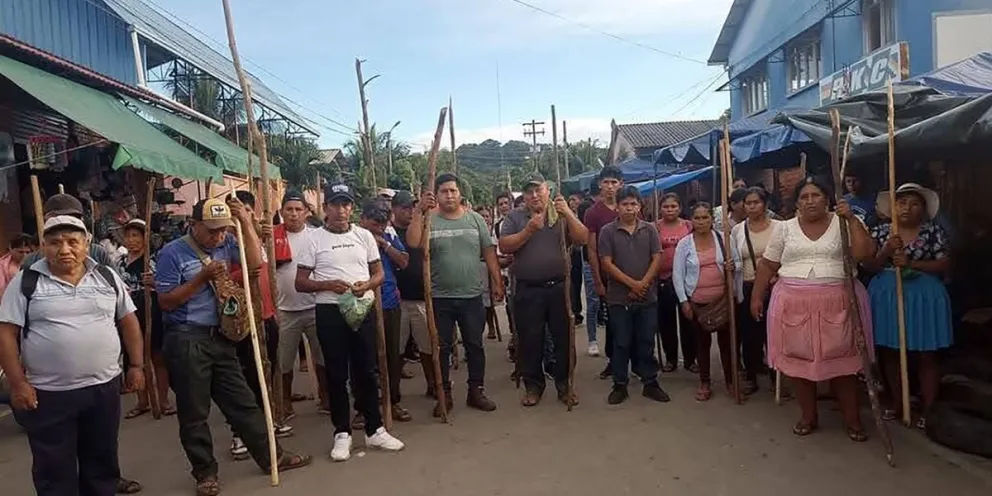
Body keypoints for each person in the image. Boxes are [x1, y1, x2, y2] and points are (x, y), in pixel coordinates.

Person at [156, 197, 310, 494]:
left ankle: (272, 456)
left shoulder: (228, 242)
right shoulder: (172, 253)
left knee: (243, 401)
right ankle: (205, 473)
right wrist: (201, 278)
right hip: (187, 336)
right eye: (211, 230)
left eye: (222, 229)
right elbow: (166, 301)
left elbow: (255, 264)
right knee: (194, 411)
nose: (218, 236)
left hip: (221, 336)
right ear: (194, 225)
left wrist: (246, 224)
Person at [0, 215, 144, 496]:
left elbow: (128, 321)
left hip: (103, 388)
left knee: (101, 461)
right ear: (44, 247)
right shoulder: (27, 281)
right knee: (54, 468)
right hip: (49, 393)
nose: (64, 249)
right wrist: (18, 384)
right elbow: (6, 333)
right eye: (55, 243)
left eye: (72, 242)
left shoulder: (106, 276)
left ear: (86, 244)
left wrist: (136, 365)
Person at [750, 176, 875, 441]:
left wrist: (852, 219)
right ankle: (808, 416)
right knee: (799, 364)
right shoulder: (785, 229)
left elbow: (864, 255)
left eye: (816, 195)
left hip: (840, 302)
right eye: (804, 197)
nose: (810, 201)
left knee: (844, 363)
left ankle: (852, 420)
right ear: (797, 203)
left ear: (827, 198)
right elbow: (769, 264)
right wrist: (756, 296)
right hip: (793, 304)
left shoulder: (845, 222)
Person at [295, 183, 404, 462]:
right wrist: (328, 284)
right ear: (325, 208)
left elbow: (378, 273)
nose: (340, 210)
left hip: (362, 308)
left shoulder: (363, 236)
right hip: (329, 311)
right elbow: (301, 282)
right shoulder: (314, 239)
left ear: (351, 208)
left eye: (345, 204)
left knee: (366, 370)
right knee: (336, 373)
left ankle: (374, 429)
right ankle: (342, 432)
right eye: (335, 204)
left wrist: (366, 284)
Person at [406, 173, 503, 417]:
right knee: (442, 347)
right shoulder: (429, 220)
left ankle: (476, 391)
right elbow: (414, 242)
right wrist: (418, 211)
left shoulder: (475, 220)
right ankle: (444, 394)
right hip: (440, 297)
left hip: (472, 295)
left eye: (453, 191)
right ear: (436, 195)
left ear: (460, 193)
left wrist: (497, 281)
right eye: (444, 191)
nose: (449, 195)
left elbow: (489, 252)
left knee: (474, 345)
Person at [864, 183, 953, 429]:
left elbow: (945, 263)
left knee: (926, 353)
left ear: (923, 209)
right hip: (888, 294)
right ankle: (898, 402)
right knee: (891, 351)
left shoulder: (933, 231)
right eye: (902, 202)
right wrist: (886, 251)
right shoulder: (881, 231)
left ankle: (929, 407)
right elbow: (869, 265)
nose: (907, 208)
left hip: (924, 296)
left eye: (914, 204)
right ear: (893, 207)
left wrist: (912, 264)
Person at [499, 173, 587, 407]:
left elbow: (582, 238)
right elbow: (504, 246)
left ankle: (565, 385)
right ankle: (533, 386)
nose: (534, 195)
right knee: (530, 340)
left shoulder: (560, 214)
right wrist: (528, 230)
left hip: (559, 287)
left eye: (538, 190)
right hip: (528, 289)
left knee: (564, 339)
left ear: (548, 190)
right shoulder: (515, 217)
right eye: (529, 191)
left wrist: (568, 213)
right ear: (524, 196)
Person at [228, 191, 293, 459]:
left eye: (246, 210)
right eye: (237, 211)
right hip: (243, 320)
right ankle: (240, 433)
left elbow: (270, 273)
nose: (242, 216)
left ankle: (268, 421)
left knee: (268, 370)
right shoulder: (227, 243)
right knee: (245, 379)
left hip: (266, 315)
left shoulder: (260, 238)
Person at [598, 186, 669, 405]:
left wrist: (643, 283)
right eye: (625, 204)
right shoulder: (607, 232)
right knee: (621, 342)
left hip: (647, 297)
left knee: (646, 340)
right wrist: (633, 284)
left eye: (633, 204)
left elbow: (657, 257)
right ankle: (620, 384)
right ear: (617, 207)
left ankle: (650, 382)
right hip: (619, 298)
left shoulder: (650, 229)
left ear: (640, 206)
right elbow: (606, 263)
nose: (629, 208)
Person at [673, 202, 738, 402]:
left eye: (705, 217)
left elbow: (737, 263)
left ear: (711, 219)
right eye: (697, 218)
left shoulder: (724, 239)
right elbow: (678, 275)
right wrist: (684, 301)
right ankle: (705, 382)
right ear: (691, 220)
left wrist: (732, 266)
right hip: (698, 303)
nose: (701, 221)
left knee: (727, 345)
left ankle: (731, 381)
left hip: (723, 301)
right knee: (702, 345)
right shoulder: (685, 244)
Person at [273, 191, 329, 420]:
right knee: (283, 361)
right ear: (282, 212)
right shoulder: (271, 237)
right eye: (289, 209)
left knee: (322, 357)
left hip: (315, 306)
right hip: (285, 310)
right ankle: (284, 403)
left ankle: (326, 398)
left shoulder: (317, 236)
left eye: (298, 209)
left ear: (306, 212)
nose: (294, 214)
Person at [359, 200, 413, 422]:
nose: (379, 227)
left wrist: (384, 244)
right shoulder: (353, 237)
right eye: (375, 223)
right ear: (362, 220)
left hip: (389, 302)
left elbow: (404, 261)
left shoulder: (389, 235)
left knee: (392, 356)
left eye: (382, 223)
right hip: (362, 305)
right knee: (364, 359)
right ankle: (364, 408)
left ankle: (393, 401)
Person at [120, 219, 175, 419]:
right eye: (128, 236)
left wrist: (155, 283)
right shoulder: (120, 262)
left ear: (145, 238)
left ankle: (163, 401)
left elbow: (169, 285)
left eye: (136, 235)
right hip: (130, 311)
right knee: (136, 358)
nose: (131, 240)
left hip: (152, 309)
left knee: (157, 357)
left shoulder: (154, 260)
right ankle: (142, 401)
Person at [730, 188, 781, 394]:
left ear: (765, 204)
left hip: (775, 286)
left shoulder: (780, 227)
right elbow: (735, 258)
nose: (751, 207)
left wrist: (778, 276)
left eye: (756, 202)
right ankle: (751, 376)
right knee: (749, 335)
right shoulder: (738, 230)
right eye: (748, 203)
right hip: (747, 286)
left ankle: (777, 378)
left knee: (774, 334)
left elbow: (787, 255)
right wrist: (730, 266)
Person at [391, 191, 437, 398]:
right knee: (396, 349)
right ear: (394, 209)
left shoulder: (423, 229)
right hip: (397, 300)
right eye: (405, 208)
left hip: (421, 297)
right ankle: (394, 394)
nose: (410, 212)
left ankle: (434, 385)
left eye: (412, 207)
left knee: (428, 347)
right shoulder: (389, 233)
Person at [583, 166, 623, 372]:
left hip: (630, 272)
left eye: (614, 182)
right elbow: (591, 248)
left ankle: (635, 362)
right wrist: (597, 279)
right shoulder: (593, 213)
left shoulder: (629, 206)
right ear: (600, 184)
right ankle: (613, 361)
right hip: (606, 274)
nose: (610, 187)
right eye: (606, 182)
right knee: (612, 321)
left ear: (620, 184)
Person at [654, 193, 696, 373]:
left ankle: (690, 359)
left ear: (680, 208)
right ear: (660, 209)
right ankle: (671, 359)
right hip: (663, 280)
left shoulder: (689, 226)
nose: (670, 210)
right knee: (666, 322)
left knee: (688, 320)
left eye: (673, 206)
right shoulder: (654, 227)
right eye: (666, 206)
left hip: (686, 280)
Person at [568, 192, 585, 326]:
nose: (572, 203)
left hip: (581, 253)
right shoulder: (565, 216)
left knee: (577, 283)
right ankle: (574, 310)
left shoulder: (583, 214)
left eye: (574, 200)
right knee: (572, 283)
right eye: (570, 200)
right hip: (571, 254)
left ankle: (577, 309)